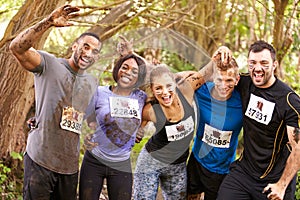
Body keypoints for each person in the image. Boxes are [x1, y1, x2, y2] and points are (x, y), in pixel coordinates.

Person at [9, 4, 102, 200]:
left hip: (69, 167)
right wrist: (48, 22)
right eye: (85, 46)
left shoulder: (92, 82)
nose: (88, 53)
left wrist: (94, 134)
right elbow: (16, 48)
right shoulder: (49, 64)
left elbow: (89, 118)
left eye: (94, 51)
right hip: (40, 159)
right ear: (74, 46)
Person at [215, 40, 300, 200]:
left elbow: (298, 147)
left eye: (264, 63)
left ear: (274, 64)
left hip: (274, 179)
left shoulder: (289, 100)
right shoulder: (245, 83)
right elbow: (222, 75)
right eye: (252, 63)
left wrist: (281, 185)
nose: (258, 68)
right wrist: (221, 53)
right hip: (244, 173)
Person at [78, 53, 147, 200]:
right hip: (94, 160)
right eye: (125, 67)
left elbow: (156, 108)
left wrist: (141, 129)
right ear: (117, 69)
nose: (128, 72)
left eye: (134, 71)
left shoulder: (141, 97)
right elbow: (87, 116)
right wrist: (89, 132)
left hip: (121, 163)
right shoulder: (99, 92)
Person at [187, 56, 243, 200]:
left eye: (229, 80)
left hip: (222, 168)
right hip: (197, 160)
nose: (223, 85)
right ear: (213, 78)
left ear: (237, 79)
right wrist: (212, 62)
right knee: (190, 195)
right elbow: (182, 84)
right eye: (219, 79)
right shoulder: (202, 91)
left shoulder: (243, 100)